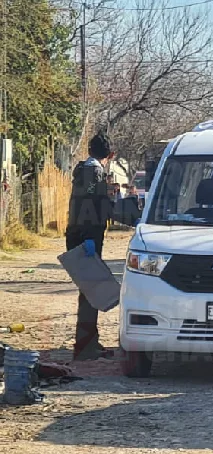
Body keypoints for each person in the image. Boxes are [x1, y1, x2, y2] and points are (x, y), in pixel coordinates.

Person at [66, 132, 116, 360]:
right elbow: (90, 205)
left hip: (79, 236)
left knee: (89, 291)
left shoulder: (83, 171)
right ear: (111, 155)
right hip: (87, 238)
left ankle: (89, 342)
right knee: (90, 292)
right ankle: (85, 346)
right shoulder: (94, 173)